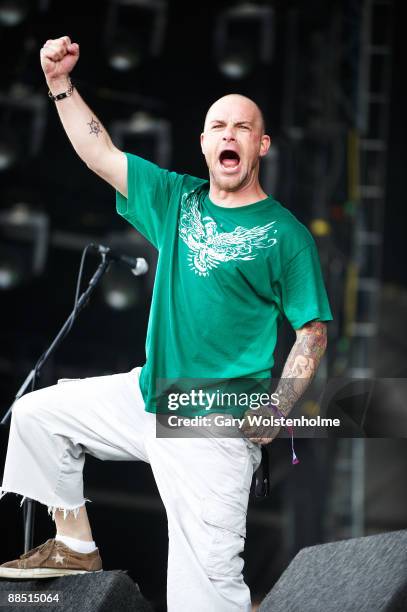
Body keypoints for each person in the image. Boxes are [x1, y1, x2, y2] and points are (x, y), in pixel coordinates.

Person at [0, 36, 332, 611]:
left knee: (203, 597)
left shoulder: (286, 235)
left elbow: (313, 331)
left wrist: (279, 406)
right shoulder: (176, 199)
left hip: (213, 426)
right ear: (203, 143)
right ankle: (75, 543)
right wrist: (59, 84)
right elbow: (98, 153)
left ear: (262, 145)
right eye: (218, 126)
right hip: (148, 394)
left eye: (243, 127)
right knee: (37, 415)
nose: (229, 134)